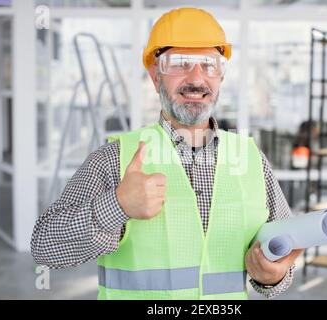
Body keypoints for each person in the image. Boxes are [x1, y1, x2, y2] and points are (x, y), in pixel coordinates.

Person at [31, 7, 303, 300]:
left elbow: (280, 258)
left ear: (221, 77)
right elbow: (45, 247)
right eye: (180, 63)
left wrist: (272, 276)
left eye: (209, 64)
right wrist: (117, 205)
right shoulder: (114, 159)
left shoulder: (252, 160)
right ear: (155, 75)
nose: (196, 78)